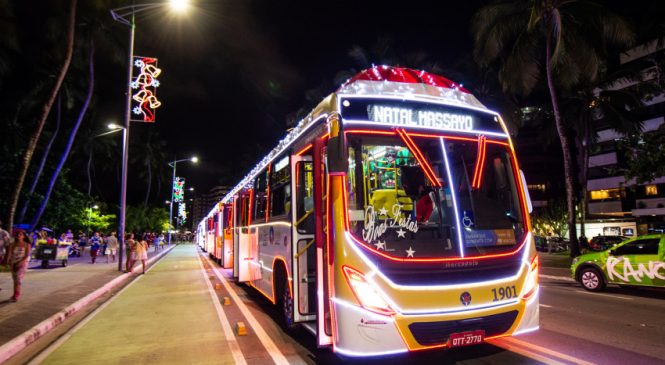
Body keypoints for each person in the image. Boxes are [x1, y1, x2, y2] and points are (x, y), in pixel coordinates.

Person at [6, 230, 32, 302]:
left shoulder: (27, 245)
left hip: (22, 264)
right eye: (17, 234)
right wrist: (8, 262)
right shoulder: (12, 244)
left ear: (24, 236)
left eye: (20, 234)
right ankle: (15, 294)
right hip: (13, 263)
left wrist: (20, 263)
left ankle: (16, 296)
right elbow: (9, 254)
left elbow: (26, 256)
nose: (18, 236)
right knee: (15, 280)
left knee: (18, 279)